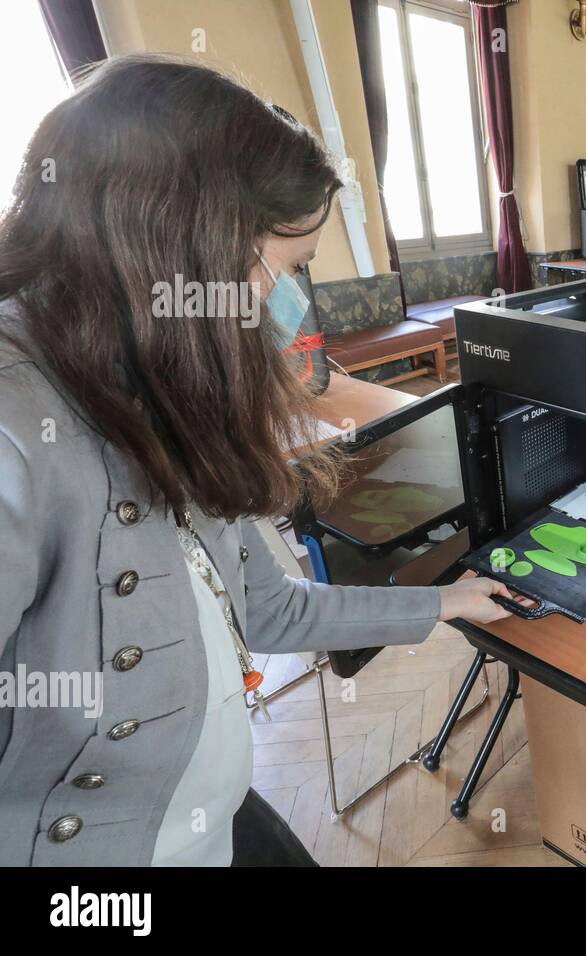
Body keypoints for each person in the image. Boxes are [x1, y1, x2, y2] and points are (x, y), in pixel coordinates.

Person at [0, 55, 515, 867]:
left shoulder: (158, 391)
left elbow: (273, 610)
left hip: (214, 815)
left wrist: (444, 605)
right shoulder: (16, 421)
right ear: (181, 245)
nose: (286, 300)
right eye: (284, 265)